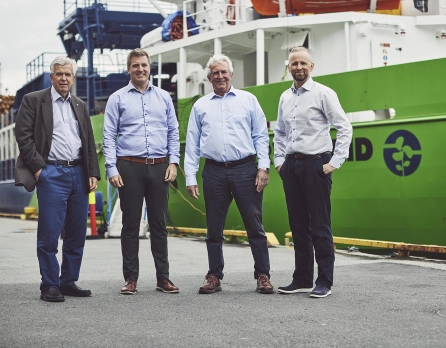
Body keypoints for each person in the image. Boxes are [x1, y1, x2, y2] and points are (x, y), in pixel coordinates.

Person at [185, 54, 274, 294]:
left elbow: (260, 136)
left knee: (255, 226)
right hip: (213, 171)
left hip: (246, 169)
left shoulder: (248, 100)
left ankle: (263, 275)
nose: (220, 76)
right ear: (209, 77)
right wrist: (190, 176)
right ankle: (214, 275)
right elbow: (192, 143)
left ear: (231, 74)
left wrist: (263, 167)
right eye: (215, 72)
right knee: (214, 229)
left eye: (223, 71)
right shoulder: (200, 106)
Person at [14, 56, 100, 302]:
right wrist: (38, 168)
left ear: (73, 78)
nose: (64, 78)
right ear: (52, 77)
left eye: (68, 74)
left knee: (76, 233)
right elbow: (23, 135)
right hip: (51, 172)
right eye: (59, 74)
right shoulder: (34, 100)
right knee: (49, 234)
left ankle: (68, 281)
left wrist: (92, 172)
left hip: (78, 173)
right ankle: (49, 284)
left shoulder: (79, 104)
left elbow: (88, 141)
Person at [274, 47, 352, 298]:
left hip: (316, 164)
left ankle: (325, 281)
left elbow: (344, 127)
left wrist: (335, 161)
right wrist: (279, 161)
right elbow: (280, 132)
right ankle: (302, 278)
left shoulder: (323, 93)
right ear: (288, 67)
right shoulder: (285, 97)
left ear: (311, 66)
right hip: (292, 166)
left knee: (320, 225)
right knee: (298, 225)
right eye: (294, 63)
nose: (298, 67)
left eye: (303, 63)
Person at [103, 48, 180, 295]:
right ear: (129, 69)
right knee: (130, 225)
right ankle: (131, 279)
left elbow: (173, 132)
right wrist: (111, 168)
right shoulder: (117, 98)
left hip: (160, 166)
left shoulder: (164, 97)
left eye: (144, 65)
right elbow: (108, 135)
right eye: (135, 65)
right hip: (129, 167)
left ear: (150, 68)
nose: (140, 69)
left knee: (159, 224)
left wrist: (173, 162)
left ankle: (163, 278)